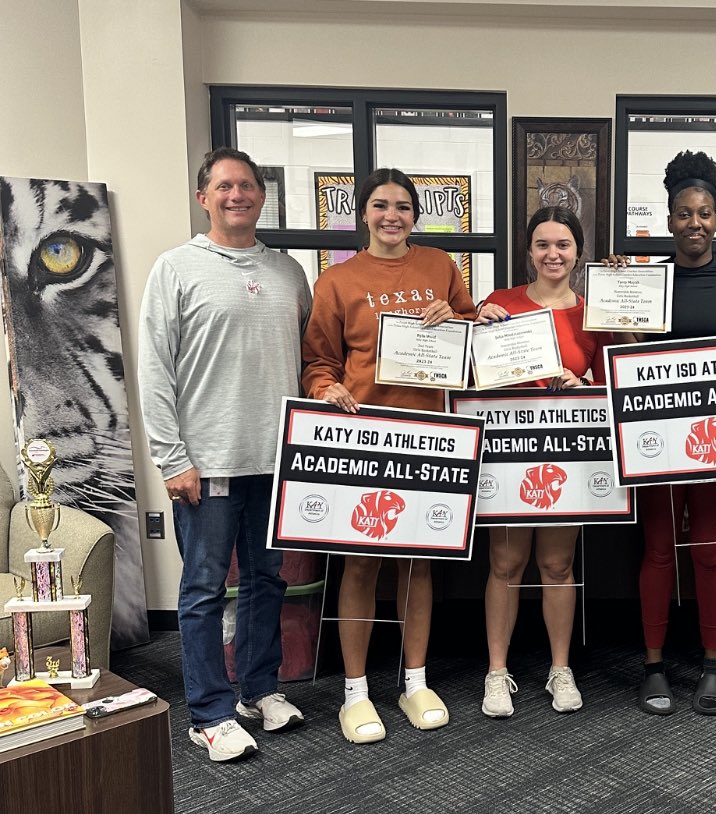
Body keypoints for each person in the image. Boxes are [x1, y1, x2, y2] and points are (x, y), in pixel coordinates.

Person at [139, 147, 310, 762]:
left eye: (248, 186)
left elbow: (310, 359)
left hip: (276, 460)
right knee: (205, 586)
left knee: (267, 579)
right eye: (225, 186)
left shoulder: (290, 273)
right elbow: (155, 370)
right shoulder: (176, 268)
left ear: (262, 196)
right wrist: (170, 457)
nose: (238, 195)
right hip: (206, 462)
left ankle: (258, 690)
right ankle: (209, 710)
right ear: (203, 197)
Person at [302, 168, 477, 743]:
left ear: (416, 215)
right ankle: (355, 691)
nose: (392, 216)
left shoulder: (440, 267)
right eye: (380, 205)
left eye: (403, 206)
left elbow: (476, 338)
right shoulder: (337, 280)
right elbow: (319, 363)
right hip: (366, 436)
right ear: (363, 213)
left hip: (432, 434)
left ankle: (415, 679)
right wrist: (325, 390)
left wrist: (458, 320)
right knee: (360, 564)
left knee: (417, 562)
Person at [608, 150, 716, 716]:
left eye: (704, 213)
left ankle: (712, 664)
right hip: (658, 437)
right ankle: (653, 666)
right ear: (669, 219)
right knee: (657, 552)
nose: (694, 223)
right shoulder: (645, 278)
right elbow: (626, 351)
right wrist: (614, 299)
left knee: (709, 551)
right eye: (683, 213)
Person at [475, 206, 611, 718]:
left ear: (578, 252)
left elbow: (611, 379)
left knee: (557, 564)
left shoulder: (594, 310)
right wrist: (477, 329)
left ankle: (560, 668)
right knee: (506, 564)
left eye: (563, 245)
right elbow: (473, 378)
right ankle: (496, 671)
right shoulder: (498, 304)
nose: (553, 254)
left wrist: (586, 385)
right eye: (542, 245)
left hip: (567, 455)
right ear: (528, 252)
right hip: (509, 455)